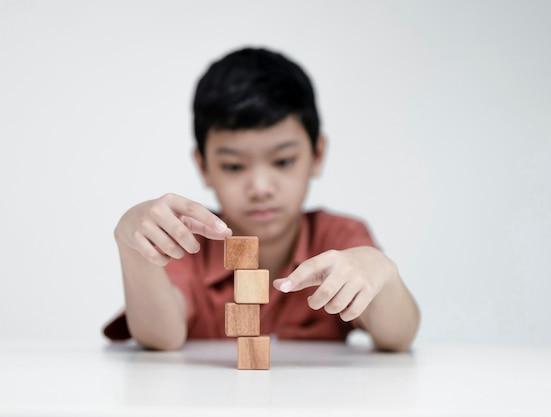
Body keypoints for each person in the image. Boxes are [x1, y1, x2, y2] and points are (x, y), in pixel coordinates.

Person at [103, 46, 420, 352]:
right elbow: (160, 338)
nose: (260, 188)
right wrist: (132, 248)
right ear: (204, 166)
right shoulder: (186, 242)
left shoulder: (340, 238)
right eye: (234, 166)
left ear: (317, 154)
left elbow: (397, 338)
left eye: (283, 161)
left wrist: (383, 273)